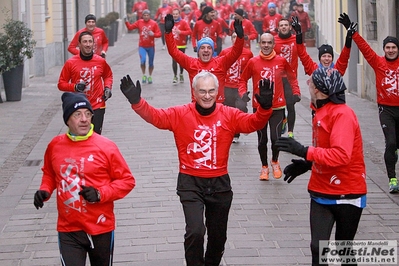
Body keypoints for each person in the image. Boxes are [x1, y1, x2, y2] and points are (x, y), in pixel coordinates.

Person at [120, 71, 273, 266]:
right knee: (195, 231)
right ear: (194, 92)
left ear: (218, 92)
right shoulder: (180, 114)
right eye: (202, 91)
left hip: (219, 184)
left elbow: (253, 123)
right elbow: (156, 117)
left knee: (218, 238)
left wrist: (265, 108)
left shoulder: (229, 114)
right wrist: (137, 101)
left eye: (211, 91)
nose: (207, 96)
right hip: (190, 182)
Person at [276, 67, 367, 265]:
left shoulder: (342, 115)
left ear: (317, 89)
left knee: (344, 250)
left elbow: (341, 155)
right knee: (318, 248)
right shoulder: (320, 111)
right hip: (321, 191)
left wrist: (304, 151)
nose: (308, 84)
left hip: (347, 193)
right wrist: (308, 164)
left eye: (310, 82)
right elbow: (326, 149)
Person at [33, 92, 135, 266]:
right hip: (68, 228)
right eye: (77, 114)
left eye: (88, 114)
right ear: (67, 119)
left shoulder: (106, 146)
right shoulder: (55, 145)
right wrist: (45, 190)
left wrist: (100, 193)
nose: (84, 119)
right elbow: (50, 173)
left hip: (100, 226)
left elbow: (127, 181)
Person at [343, 13, 399, 193]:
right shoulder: (378, 62)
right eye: (388, 47)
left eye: (393, 47)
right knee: (390, 143)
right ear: (384, 49)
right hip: (386, 109)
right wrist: (353, 33)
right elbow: (366, 49)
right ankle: (392, 179)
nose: (390, 50)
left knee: (396, 145)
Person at [238, 33, 300, 180]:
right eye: (263, 42)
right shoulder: (253, 62)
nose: (266, 45)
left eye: (269, 43)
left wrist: (296, 92)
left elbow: (292, 78)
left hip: (277, 106)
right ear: (260, 43)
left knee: (275, 138)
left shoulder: (281, 61)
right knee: (262, 139)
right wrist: (243, 94)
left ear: (274, 45)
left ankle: (275, 161)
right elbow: (242, 79)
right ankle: (264, 167)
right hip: (258, 107)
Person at [164, 13, 244, 103]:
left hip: (218, 106)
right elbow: (173, 52)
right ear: (198, 51)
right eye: (202, 48)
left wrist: (240, 38)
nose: (206, 50)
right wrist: (168, 33)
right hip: (197, 107)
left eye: (209, 48)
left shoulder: (221, 62)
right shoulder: (191, 63)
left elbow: (236, 52)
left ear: (212, 51)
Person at [58, 31, 113, 135]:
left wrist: (107, 88)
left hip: (97, 105)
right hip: (78, 106)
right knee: (80, 137)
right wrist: (75, 87)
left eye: (90, 42)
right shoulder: (71, 63)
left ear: (93, 44)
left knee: (95, 137)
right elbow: (61, 84)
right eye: (85, 42)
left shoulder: (100, 61)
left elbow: (108, 75)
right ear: (79, 44)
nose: (88, 44)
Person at [219, 32, 254, 143]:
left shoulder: (248, 54)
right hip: (227, 86)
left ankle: (243, 125)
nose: (236, 39)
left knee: (241, 107)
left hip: (240, 87)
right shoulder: (225, 52)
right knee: (229, 110)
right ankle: (234, 134)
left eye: (238, 37)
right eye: (233, 37)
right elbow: (220, 67)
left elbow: (250, 69)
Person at [274, 18, 300, 138]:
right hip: (278, 78)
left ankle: (290, 132)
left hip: (290, 78)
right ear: (278, 28)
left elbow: (303, 54)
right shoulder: (274, 41)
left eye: (286, 25)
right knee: (279, 105)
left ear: (290, 27)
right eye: (281, 25)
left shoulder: (295, 40)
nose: (283, 27)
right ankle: (282, 121)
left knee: (290, 105)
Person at [125, 9, 162, 84]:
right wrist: (126, 21)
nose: (146, 17)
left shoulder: (153, 23)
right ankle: (144, 74)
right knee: (143, 60)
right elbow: (130, 28)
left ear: (149, 15)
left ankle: (150, 76)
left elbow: (159, 34)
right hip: (142, 46)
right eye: (144, 15)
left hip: (151, 46)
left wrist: (153, 34)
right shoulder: (139, 22)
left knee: (151, 63)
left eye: (147, 15)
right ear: (142, 16)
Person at [169, 8, 192, 83]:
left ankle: (181, 73)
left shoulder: (183, 22)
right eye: (174, 14)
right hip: (173, 45)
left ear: (179, 14)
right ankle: (175, 76)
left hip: (181, 44)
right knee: (174, 60)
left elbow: (189, 31)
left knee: (181, 61)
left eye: (176, 14)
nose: (175, 15)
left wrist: (181, 32)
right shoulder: (170, 23)